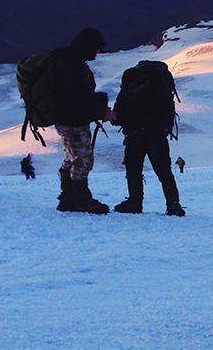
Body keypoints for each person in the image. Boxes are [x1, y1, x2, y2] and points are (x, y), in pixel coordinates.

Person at [53, 27, 114, 214]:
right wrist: (101, 113)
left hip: (65, 118)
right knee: (82, 159)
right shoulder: (72, 65)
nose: (97, 53)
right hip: (73, 120)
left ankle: (68, 197)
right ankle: (82, 200)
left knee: (71, 156)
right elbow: (80, 96)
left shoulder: (65, 59)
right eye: (96, 49)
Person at [111, 64, 185, 217]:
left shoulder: (159, 89)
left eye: (132, 89)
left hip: (153, 136)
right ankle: (160, 203)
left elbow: (157, 119)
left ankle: (168, 204)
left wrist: (126, 119)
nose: (130, 92)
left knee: (161, 170)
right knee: (135, 169)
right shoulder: (130, 90)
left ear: (142, 83)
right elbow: (119, 115)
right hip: (139, 135)